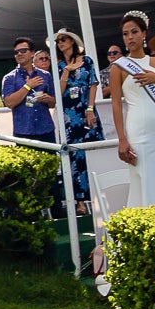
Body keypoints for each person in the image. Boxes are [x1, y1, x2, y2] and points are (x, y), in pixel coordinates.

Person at [111, 12, 155, 210]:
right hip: (138, 131)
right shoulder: (119, 67)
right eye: (125, 34)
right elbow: (116, 104)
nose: (130, 37)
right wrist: (122, 139)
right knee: (146, 182)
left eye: (134, 32)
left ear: (144, 34)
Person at [54, 29, 101, 213]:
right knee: (75, 156)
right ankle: (80, 202)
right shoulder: (59, 67)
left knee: (93, 150)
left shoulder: (87, 60)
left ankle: (99, 195)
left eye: (63, 39)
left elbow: (93, 84)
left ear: (72, 41)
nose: (60, 43)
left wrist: (90, 109)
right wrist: (66, 70)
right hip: (69, 115)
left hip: (86, 109)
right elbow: (58, 91)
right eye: (58, 41)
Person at [1, 37, 56, 146]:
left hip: (46, 129)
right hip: (23, 131)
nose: (19, 54)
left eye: (23, 51)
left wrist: (48, 99)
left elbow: (53, 103)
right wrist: (27, 86)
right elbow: (9, 103)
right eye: (16, 52)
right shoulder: (9, 78)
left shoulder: (45, 75)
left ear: (32, 53)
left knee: (52, 162)